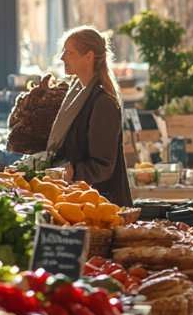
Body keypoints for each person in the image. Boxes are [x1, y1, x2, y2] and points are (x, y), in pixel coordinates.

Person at [44, 26, 132, 207]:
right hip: (82, 201)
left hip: (103, 207)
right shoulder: (76, 97)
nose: (62, 58)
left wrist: (72, 171)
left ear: (88, 56)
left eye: (69, 52)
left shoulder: (102, 103)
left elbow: (103, 165)